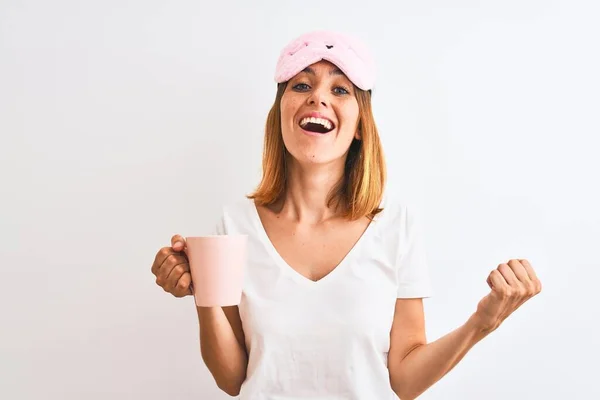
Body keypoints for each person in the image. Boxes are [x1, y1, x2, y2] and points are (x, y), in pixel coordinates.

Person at [150, 30, 542, 399]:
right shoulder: (234, 225)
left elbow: (405, 380)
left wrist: (482, 323)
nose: (318, 98)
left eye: (340, 90)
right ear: (280, 113)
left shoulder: (396, 226)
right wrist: (201, 290)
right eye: (301, 85)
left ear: (359, 126)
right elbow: (232, 378)